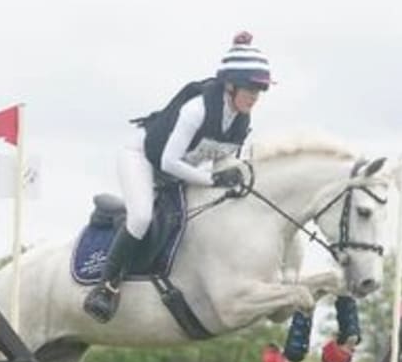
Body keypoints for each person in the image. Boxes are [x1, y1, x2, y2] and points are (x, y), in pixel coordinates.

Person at [83, 31, 274, 322]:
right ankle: (106, 287)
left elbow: (223, 162)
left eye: (259, 92)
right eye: (250, 89)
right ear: (231, 85)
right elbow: (168, 161)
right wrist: (211, 181)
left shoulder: (240, 120)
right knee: (141, 218)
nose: (254, 97)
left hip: (181, 168)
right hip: (143, 158)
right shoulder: (197, 109)